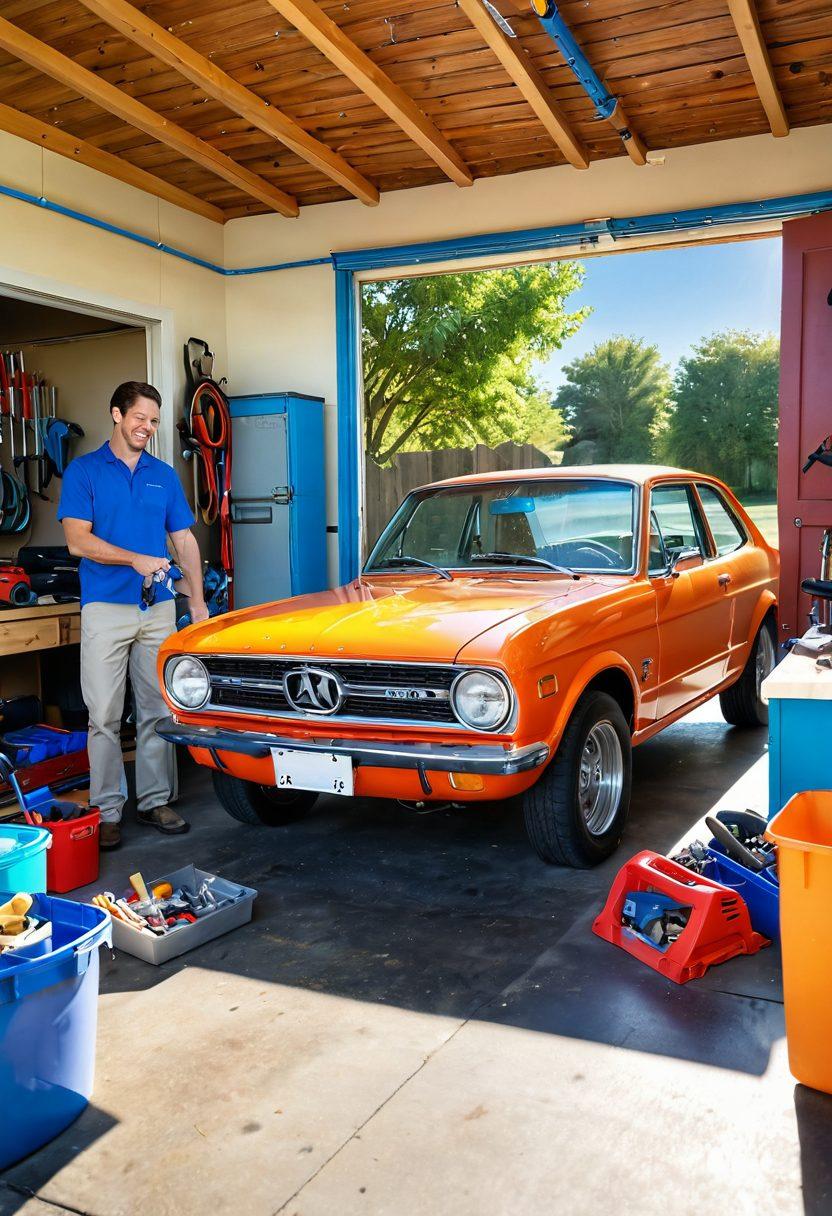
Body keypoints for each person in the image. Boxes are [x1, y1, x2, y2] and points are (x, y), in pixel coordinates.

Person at [58, 381, 208, 851]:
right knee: (102, 715)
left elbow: (183, 540)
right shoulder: (84, 472)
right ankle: (106, 811)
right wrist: (135, 559)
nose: (147, 427)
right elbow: (77, 542)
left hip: (158, 608)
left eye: (155, 421)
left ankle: (155, 800)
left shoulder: (163, 474)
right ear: (117, 414)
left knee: (157, 708)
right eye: (140, 417)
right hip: (105, 607)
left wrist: (198, 601)